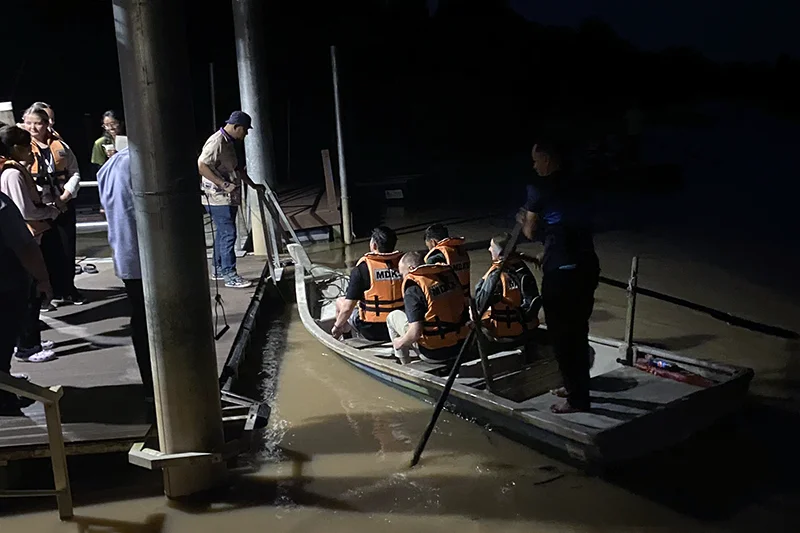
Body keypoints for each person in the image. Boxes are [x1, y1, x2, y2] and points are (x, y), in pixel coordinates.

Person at [518, 141, 600, 413]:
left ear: (548, 159)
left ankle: (577, 399)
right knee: (579, 329)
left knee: (562, 335)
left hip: (562, 272)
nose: (533, 165)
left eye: (536, 160)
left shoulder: (538, 188)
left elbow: (530, 231)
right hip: (587, 265)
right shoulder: (580, 182)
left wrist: (525, 221)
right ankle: (575, 386)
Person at [96, 147, 154, 403]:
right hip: (144, 256)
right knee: (148, 322)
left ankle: (151, 385)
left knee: (140, 318)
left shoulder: (108, 166)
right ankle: (154, 385)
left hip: (126, 254)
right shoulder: (138, 162)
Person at [0, 125, 60, 363]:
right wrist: (51, 211)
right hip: (25, 242)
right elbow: (23, 211)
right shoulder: (12, 174)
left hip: (21, 245)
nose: (31, 153)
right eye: (27, 148)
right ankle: (27, 346)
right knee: (30, 296)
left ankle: (28, 342)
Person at [23, 106, 84, 306]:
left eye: (38, 123)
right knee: (43, 252)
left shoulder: (60, 145)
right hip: (38, 209)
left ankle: (68, 289)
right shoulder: (20, 146)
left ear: (46, 124)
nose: (33, 127)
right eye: (29, 122)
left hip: (63, 204)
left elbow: (74, 171)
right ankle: (46, 294)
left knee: (66, 249)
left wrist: (66, 195)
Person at [197, 110, 265, 289]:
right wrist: (222, 184)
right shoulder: (216, 141)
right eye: (245, 130)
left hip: (228, 197)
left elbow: (237, 169)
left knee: (222, 232)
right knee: (229, 234)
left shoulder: (228, 142)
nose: (246, 133)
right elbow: (202, 165)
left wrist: (252, 185)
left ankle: (218, 269)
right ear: (236, 127)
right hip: (218, 198)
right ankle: (230, 274)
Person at [0, 191, 54, 413]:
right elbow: (25, 246)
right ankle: (4, 398)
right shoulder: (1, 206)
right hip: (5, 288)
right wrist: (43, 280)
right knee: (2, 346)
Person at [387, 251, 469, 364]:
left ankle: (404, 363)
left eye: (402, 274)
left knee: (393, 316)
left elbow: (415, 332)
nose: (402, 278)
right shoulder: (447, 276)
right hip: (460, 346)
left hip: (433, 353)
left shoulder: (413, 287)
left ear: (411, 268)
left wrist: (399, 342)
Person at [331, 226, 404, 342]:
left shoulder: (362, 269)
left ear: (374, 245)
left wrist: (337, 326)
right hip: (399, 326)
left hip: (371, 330)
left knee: (341, 302)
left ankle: (346, 337)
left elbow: (347, 308)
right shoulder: (403, 265)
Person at [475, 232, 541, 341]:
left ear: (499, 252)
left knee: (474, 319)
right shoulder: (520, 267)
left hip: (508, 332)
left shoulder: (496, 275)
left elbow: (480, 304)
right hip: (527, 326)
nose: (489, 249)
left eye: (491, 247)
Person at [423, 223, 471, 298]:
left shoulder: (435, 257)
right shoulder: (459, 251)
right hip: (465, 297)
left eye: (428, 246)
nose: (429, 250)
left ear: (433, 242)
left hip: (451, 300)